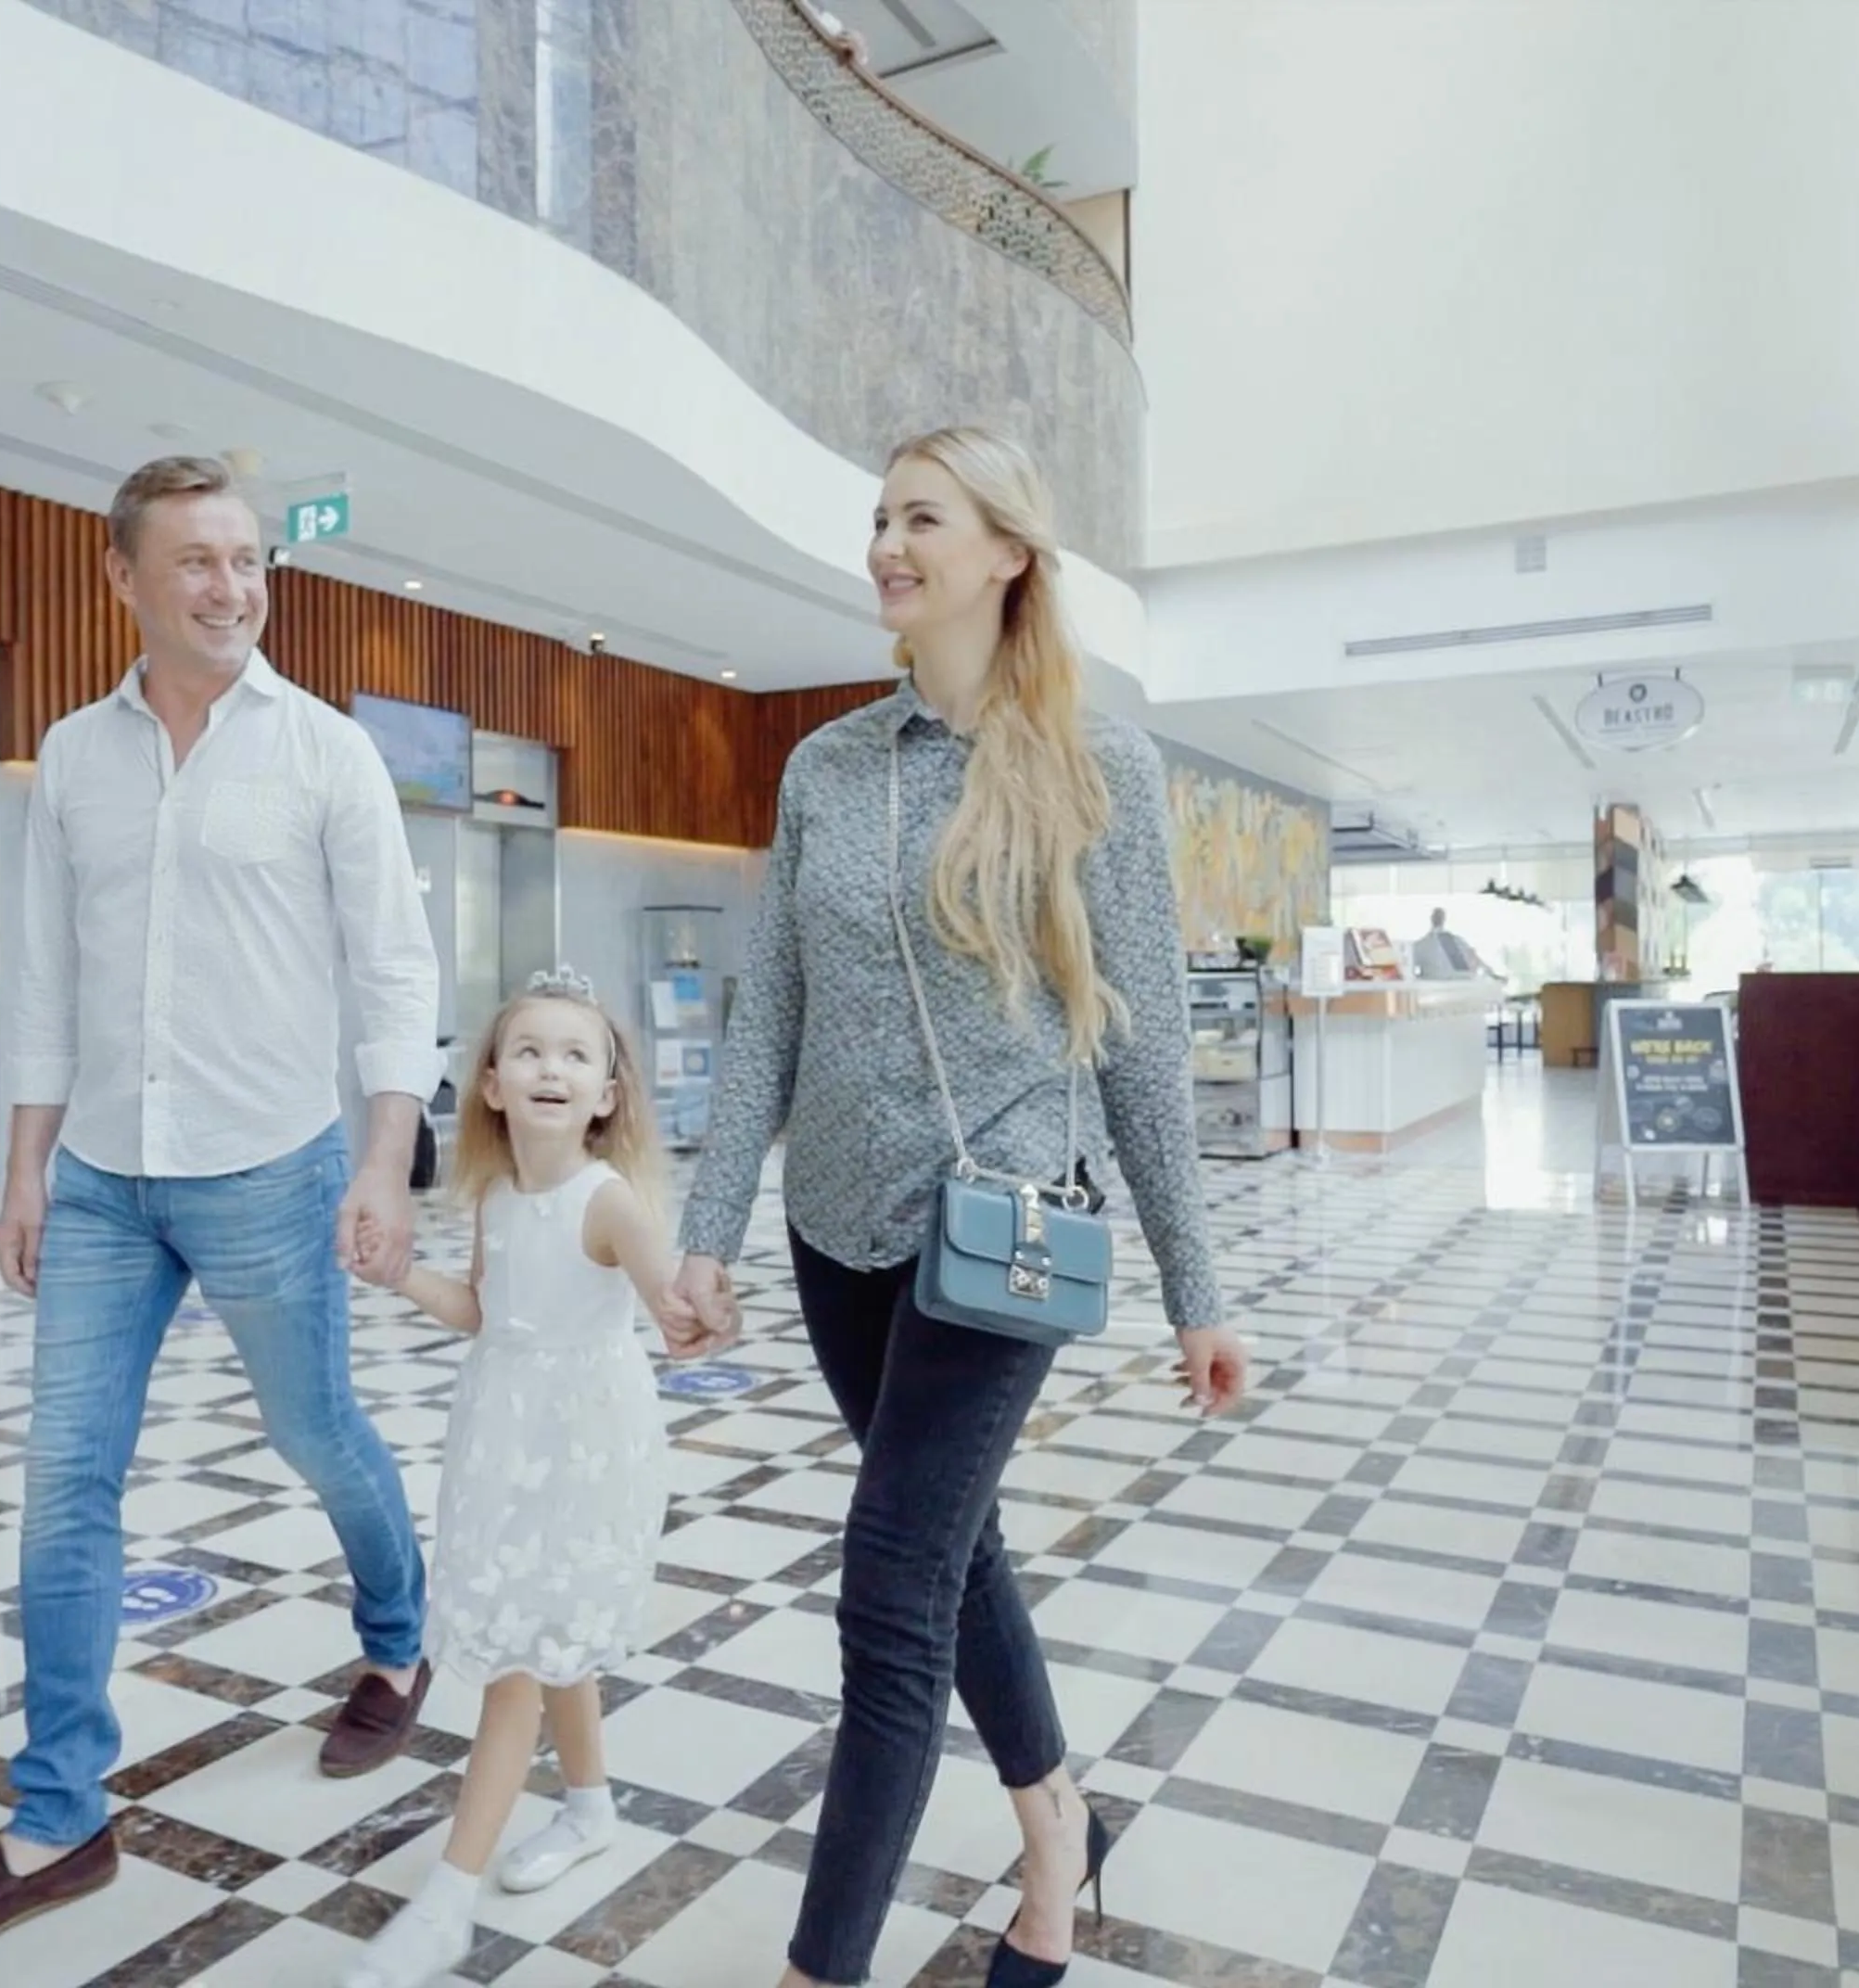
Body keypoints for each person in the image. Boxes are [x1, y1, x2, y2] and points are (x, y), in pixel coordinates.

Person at [671, 427, 1252, 1988]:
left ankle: (822, 1965)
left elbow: (1140, 1047)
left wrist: (1197, 1288)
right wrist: (709, 1232)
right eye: (880, 518)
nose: (885, 544)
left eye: (920, 517)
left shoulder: (1097, 768)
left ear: (1008, 553)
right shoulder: (826, 766)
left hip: (1004, 1240)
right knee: (951, 1543)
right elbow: (771, 1012)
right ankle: (1057, 1824)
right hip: (834, 1228)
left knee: (889, 1587)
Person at [0, 456, 445, 1969]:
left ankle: (399, 1638)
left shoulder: (325, 751)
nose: (230, 586)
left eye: (247, 559)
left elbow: (395, 967)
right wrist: (26, 1164)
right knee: (65, 1478)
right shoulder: (75, 755)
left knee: (317, 1432)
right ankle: (58, 1813)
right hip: (102, 1179)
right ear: (122, 576)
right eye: (195, 559)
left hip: (273, 1163)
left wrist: (385, 1158)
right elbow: (45, 975)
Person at [341, 970, 722, 1988]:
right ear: (493, 1084)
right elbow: (483, 1308)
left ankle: (448, 1901)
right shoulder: (500, 1196)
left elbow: (664, 1293)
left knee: (517, 1659)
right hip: (502, 1437)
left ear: (607, 1093)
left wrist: (689, 1312)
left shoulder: (608, 1201)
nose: (552, 1067)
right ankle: (590, 1808)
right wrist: (397, 1276)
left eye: (576, 1054)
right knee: (548, 1636)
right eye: (530, 1050)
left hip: (584, 1450)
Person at [1411, 907, 1490, 980]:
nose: (1438, 918)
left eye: (1439, 916)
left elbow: (1475, 958)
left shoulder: (1457, 941)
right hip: (1438, 985)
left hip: (1458, 983)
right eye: (1437, 916)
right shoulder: (1420, 946)